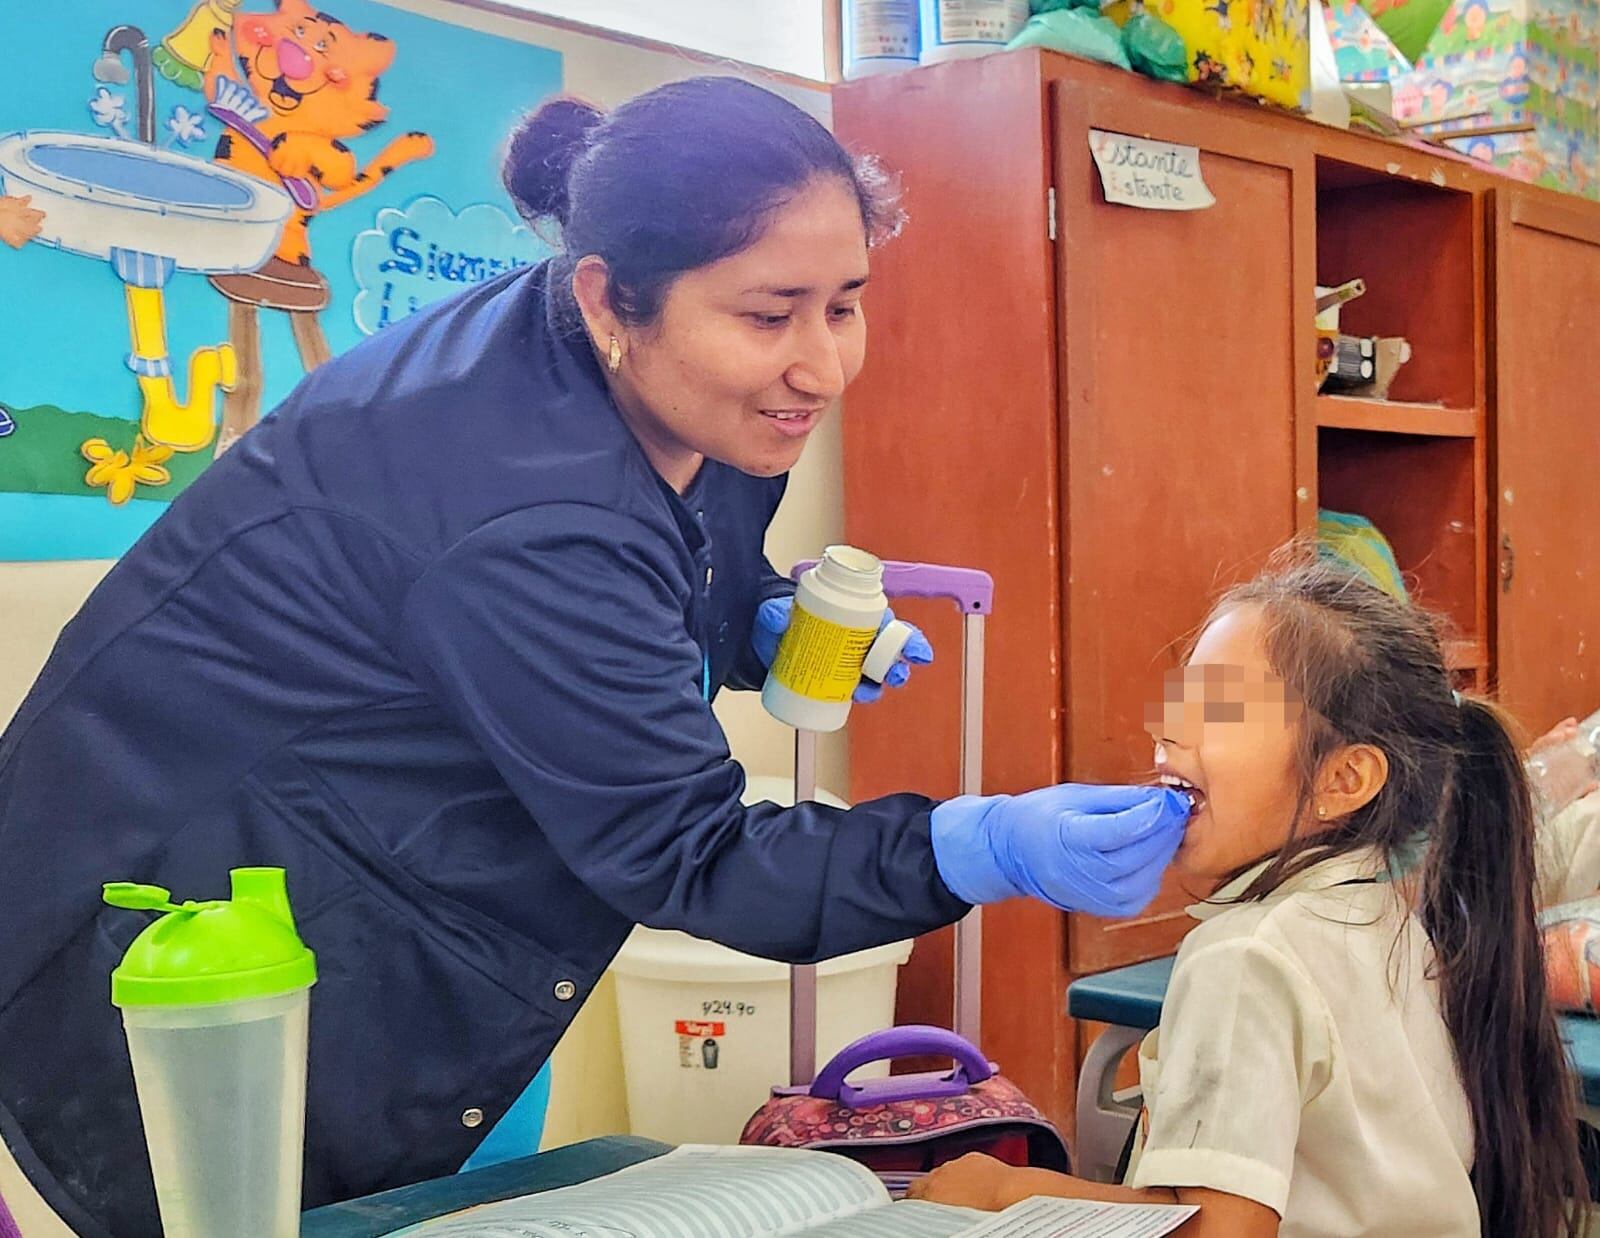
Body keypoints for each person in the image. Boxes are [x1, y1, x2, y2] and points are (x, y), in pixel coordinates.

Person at [0, 78, 1190, 1235]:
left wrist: (754, 616)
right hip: (198, 938)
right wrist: (976, 844)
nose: (821, 367)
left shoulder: (665, 381)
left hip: (436, 905)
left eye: (844, 302)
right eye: (771, 315)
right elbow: (694, 854)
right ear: (612, 298)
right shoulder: (513, 502)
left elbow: (677, 561)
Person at [912, 556, 1585, 1236]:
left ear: (1344, 778)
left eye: (1218, 709)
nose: (1166, 730)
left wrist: (1005, 1190)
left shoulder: (1243, 959)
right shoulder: (1386, 920)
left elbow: (1218, 1230)